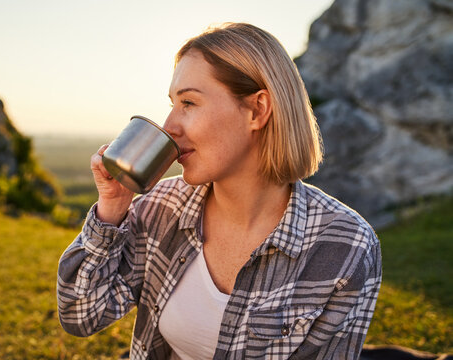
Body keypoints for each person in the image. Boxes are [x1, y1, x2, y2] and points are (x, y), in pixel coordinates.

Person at [57, 22, 382, 359]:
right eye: (172, 103)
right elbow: (81, 316)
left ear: (257, 110)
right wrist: (112, 208)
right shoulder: (161, 207)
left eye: (189, 103)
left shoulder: (346, 246)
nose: (169, 126)